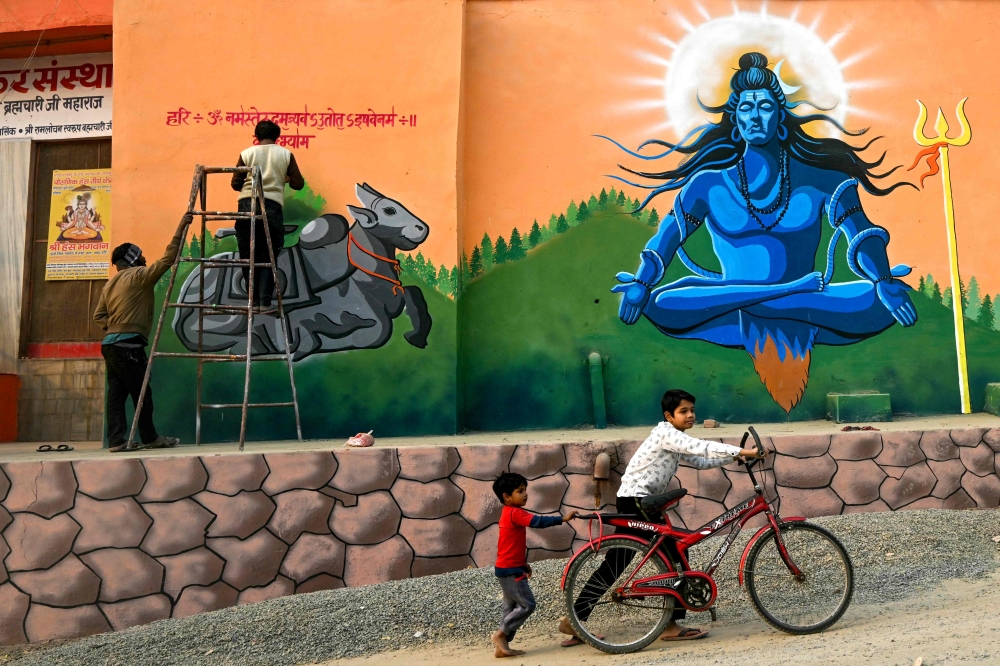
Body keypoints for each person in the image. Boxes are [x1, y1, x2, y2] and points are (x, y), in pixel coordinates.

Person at [560, 389, 765, 644]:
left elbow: (700, 460)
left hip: (639, 502)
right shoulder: (666, 433)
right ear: (669, 415)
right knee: (660, 554)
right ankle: (667, 623)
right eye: (683, 411)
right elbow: (701, 446)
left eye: (692, 410)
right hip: (637, 502)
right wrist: (743, 451)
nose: (690, 415)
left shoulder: (675, 436)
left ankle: (576, 619)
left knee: (636, 559)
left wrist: (734, 457)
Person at [93, 213, 192, 452]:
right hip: (128, 346)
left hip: (110, 345)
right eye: (141, 256)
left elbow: (99, 317)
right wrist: (181, 227)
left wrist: (115, 327)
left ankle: (116, 440)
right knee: (142, 393)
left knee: (117, 395)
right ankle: (150, 438)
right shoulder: (139, 277)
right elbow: (169, 258)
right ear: (134, 260)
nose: (145, 259)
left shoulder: (110, 284)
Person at [491, 472, 578, 658]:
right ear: (507, 497)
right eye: (520, 491)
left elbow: (509, 546)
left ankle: (502, 646)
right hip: (510, 570)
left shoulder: (508, 513)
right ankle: (501, 635)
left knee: (510, 606)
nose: (525, 494)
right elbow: (537, 521)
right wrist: (562, 519)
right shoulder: (515, 512)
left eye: (525, 490)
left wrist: (523, 564)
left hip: (507, 568)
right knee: (527, 605)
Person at [230, 120, 305, 312]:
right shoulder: (285, 154)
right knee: (268, 254)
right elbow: (298, 183)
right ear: (277, 137)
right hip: (271, 207)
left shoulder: (247, 153)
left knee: (248, 256)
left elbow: (236, 184)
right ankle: (264, 302)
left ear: (256, 136)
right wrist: (284, 178)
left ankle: (252, 302)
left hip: (247, 204)